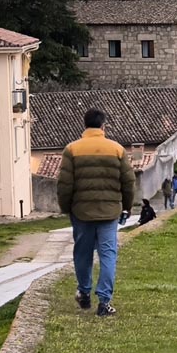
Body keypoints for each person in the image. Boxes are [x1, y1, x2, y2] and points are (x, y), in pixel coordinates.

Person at [58, 108, 136, 318]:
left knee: (82, 254)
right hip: (109, 212)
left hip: (81, 211)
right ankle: (104, 301)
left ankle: (84, 293)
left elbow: (65, 184)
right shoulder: (117, 149)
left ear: (85, 126)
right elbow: (128, 182)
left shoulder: (72, 149)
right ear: (103, 126)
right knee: (108, 255)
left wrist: (66, 208)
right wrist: (127, 206)